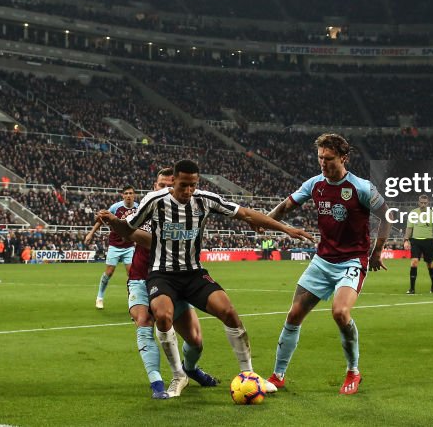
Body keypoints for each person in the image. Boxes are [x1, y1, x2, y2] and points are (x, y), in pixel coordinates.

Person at [103, 159, 313, 399]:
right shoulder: (155, 202)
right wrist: (113, 222)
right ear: (173, 182)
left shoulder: (204, 199)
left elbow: (244, 213)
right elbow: (128, 230)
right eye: (183, 185)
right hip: (162, 274)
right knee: (162, 316)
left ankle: (250, 375)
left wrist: (285, 228)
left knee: (229, 312)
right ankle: (178, 376)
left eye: (193, 185)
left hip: (193, 273)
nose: (188, 191)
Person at [264, 133, 391, 395]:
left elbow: (386, 218)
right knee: (293, 315)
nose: (323, 163)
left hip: (352, 261)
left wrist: (377, 252)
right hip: (322, 261)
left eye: (329, 158)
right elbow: (286, 206)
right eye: (320, 158)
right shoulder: (314, 184)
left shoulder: (362, 188)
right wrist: (265, 220)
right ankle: (277, 376)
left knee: (340, 313)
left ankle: (353, 371)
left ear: (343, 158)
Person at [117, 168, 220, 399]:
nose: (164, 189)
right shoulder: (147, 211)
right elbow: (130, 234)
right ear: (154, 186)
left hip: (175, 280)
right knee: (144, 321)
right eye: (160, 185)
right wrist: (119, 225)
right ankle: (157, 383)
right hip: (141, 279)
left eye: (168, 185)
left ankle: (190, 369)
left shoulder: (181, 213)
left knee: (195, 340)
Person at [85, 186, 136, 310]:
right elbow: (101, 219)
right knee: (109, 272)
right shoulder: (115, 207)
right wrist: (91, 233)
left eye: (130, 193)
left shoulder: (138, 207)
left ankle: (133, 302)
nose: (128, 195)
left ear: (134, 195)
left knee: (132, 274)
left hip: (129, 246)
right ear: (122, 195)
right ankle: (99, 297)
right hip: (115, 244)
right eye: (126, 193)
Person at [404, 194, 433, 294]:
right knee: (414, 262)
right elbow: (409, 228)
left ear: (428, 203)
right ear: (418, 202)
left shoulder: (432, 214)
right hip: (415, 241)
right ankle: (412, 288)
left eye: (425, 203)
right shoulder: (413, 213)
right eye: (421, 202)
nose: (423, 204)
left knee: (430, 264)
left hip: (428, 241)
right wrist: (406, 240)